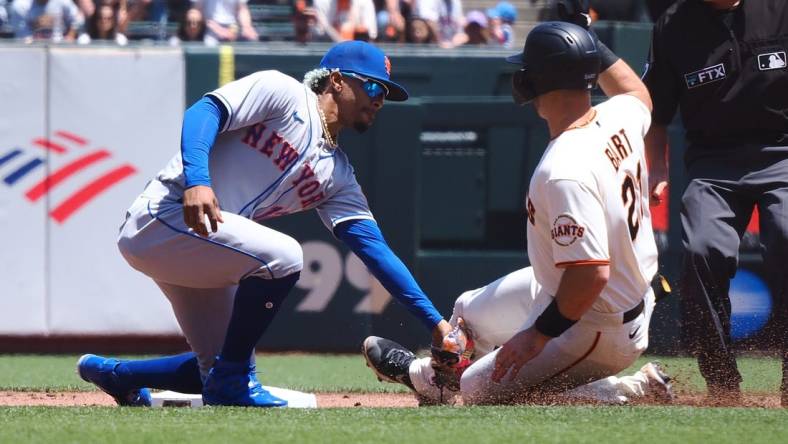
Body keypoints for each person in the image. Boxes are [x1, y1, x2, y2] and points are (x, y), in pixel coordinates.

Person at [76, 41, 452, 408]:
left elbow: (375, 251)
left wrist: (435, 323)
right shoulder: (284, 92)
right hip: (165, 215)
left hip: (200, 244)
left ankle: (119, 376)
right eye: (372, 85)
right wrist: (197, 180)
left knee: (217, 365)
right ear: (336, 80)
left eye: (385, 92)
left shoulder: (337, 175)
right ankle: (233, 384)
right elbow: (205, 111)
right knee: (285, 256)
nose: (380, 98)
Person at [363, 18, 674, 406]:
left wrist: (537, 335)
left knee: (478, 390)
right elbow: (637, 94)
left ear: (535, 80)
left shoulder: (565, 169)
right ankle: (437, 378)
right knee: (466, 311)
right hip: (580, 291)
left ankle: (631, 389)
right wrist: (589, 42)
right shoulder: (618, 116)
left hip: (600, 321)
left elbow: (591, 275)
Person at [643, 0, 788, 406]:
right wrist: (657, 170)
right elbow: (656, 114)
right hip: (713, 163)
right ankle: (722, 384)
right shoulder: (673, 24)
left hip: (782, 152)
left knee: (787, 233)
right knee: (703, 249)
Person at [9, 0, 83, 42]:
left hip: (59, 47)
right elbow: (23, 37)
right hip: (31, 50)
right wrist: (36, 25)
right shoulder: (20, 5)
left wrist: (70, 36)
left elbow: (78, 19)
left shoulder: (62, 1)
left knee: (84, 39)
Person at [192, 0, 257, 44]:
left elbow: (242, 9)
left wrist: (247, 27)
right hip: (212, 29)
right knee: (210, 44)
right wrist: (217, 29)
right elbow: (197, 11)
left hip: (234, 27)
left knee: (253, 41)